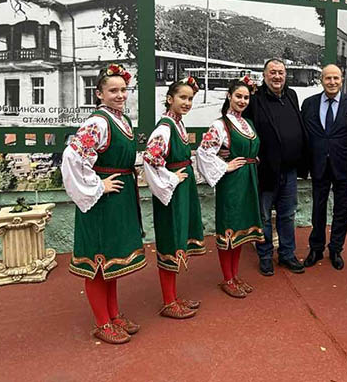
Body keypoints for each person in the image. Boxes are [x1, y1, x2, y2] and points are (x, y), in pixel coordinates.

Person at [62, 63, 145, 344]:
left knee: (111, 259)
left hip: (118, 198)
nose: (120, 95)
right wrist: (99, 185)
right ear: (99, 94)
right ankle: (102, 322)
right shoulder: (97, 123)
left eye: (123, 89)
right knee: (98, 261)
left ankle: (113, 314)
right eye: (113, 91)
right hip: (102, 202)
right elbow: (72, 158)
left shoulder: (122, 119)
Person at [142, 77, 206, 319]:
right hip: (171, 193)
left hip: (181, 190)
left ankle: (173, 296)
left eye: (190, 99)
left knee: (179, 238)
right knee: (170, 239)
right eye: (182, 97)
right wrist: (171, 179)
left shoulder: (177, 125)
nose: (187, 102)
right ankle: (168, 301)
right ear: (170, 99)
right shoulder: (164, 128)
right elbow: (151, 159)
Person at [196, 77, 265, 298]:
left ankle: (235, 275)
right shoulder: (220, 125)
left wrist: (253, 158)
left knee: (241, 228)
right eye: (238, 96)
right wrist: (225, 166)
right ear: (229, 96)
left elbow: (250, 148)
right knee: (229, 226)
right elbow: (203, 152)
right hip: (233, 182)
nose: (242, 101)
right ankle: (227, 278)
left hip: (249, 180)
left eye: (246, 97)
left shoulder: (248, 123)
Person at [243, 59, 309, 277]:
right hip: (266, 170)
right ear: (264, 75)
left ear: (286, 75)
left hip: (289, 170)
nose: (277, 76)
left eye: (281, 72)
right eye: (272, 72)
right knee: (263, 216)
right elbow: (240, 125)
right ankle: (265, 256)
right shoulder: (254, 100)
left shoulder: (291, 96)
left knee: (287, 214)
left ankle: (287, 254)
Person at [301, 64, 347, 270]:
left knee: (341, 210)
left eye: (336, 78)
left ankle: (336, 249)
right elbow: (303, 136)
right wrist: (303, 166)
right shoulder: (309, 104)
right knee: (317, 209)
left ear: (342, 80)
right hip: (318, 165)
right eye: (328, 78)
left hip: (343, 167)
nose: (332, 82)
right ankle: (316, 248)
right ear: (321, 80)